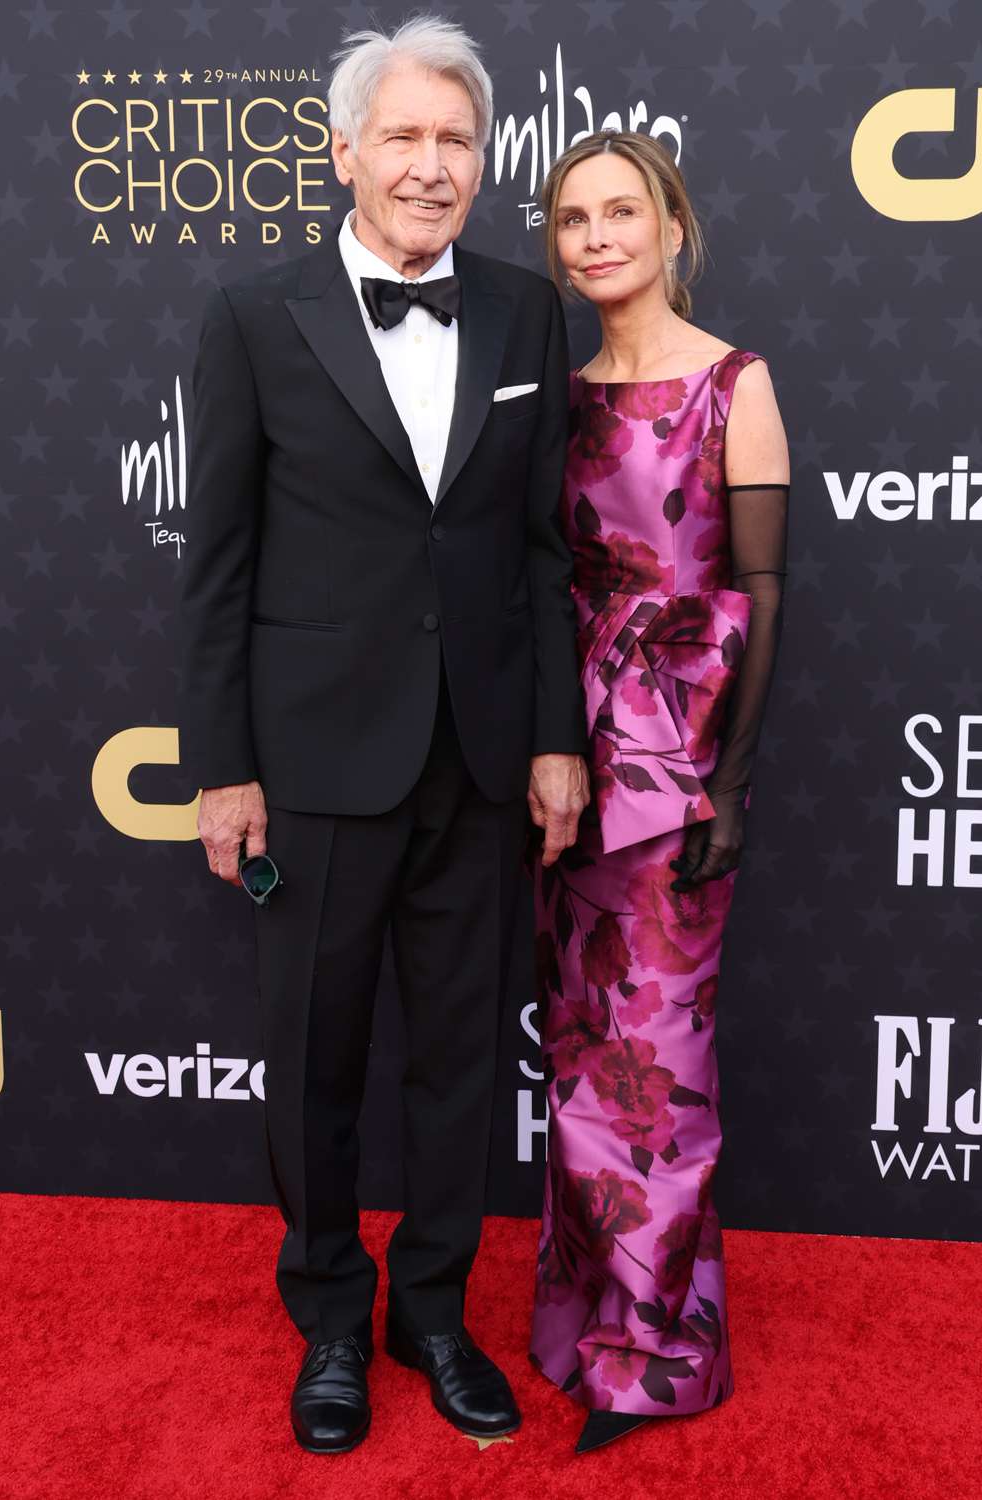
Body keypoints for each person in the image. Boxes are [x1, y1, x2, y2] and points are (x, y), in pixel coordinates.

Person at [177, 16, 590, 1457]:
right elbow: (216, 562)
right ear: (346, 149)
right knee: (317, 1055)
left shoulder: (532, 314)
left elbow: (541, 552)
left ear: (486, 159)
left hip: (480, 757)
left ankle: (435, 1311)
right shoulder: (251, 314)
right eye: (403, 138)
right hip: (313, 765)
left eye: (456, 141)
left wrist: (556, 738)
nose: (431, 166)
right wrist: (223, 767)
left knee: (460, 1062)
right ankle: (332, 1323)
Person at [528, 129, 789, 1454]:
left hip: (680, 763)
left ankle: (660, 1355)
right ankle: (586, 1322)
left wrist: (731, 783)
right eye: (572, 218)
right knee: (581, 1052)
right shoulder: (555, 391)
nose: (596, 238)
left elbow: (764, 590)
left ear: (670, 224)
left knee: (661, 1064)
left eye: (621, 211)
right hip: (564, 765)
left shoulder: (734, 383)